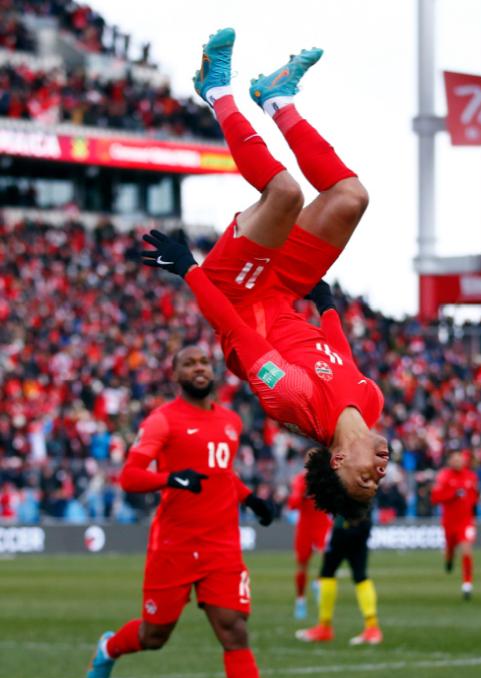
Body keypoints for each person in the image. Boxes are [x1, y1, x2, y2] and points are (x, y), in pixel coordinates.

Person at [141, 27, 389, 520]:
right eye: (376, 481)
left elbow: (234, 330)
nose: (378, 472)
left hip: (236, 293)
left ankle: (216, 90)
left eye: (363, 478)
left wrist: (190, 269)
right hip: (286, 291)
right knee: (351, 198)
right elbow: (337, 354)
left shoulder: (294, 404)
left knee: (285, 195)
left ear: (337, 460)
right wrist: (328, 307)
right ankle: (277, 97)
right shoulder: (372, 403)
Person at [86, 345, 272, 678]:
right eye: (189, 364)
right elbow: (130, 476)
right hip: (175, 545)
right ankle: (108, 648)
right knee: (154, 635)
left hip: (222, 544)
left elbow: (222, 474)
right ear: (176, 374)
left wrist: (250, 498)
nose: (198, 368)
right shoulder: (162, 420)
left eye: (203, 362)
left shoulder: (231, 421)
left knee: (234, 630)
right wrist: (171, 479)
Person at [295, 512, 382, 645]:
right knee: (357, 576)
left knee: (329, 573)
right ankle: (371, 627)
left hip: (346, 527)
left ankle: (325, 626)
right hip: (358, 526)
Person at [288, 450, 333, 619]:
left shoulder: (327, 479)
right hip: (306, 526)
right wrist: (300, 496)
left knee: (328, 560)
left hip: (322, 524)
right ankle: (300, 600)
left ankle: (318, 582)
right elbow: (292, 504)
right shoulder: (300, 480)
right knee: (302, 565)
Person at [431, 447, 479, 599]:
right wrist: (452, 495)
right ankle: (449, 560)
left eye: (460, 458)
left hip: (466, 521)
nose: (458, 461)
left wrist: (473, 516)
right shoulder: (443, 477)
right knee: (450, 549)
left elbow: (474, 498)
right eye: (455, 458)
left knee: (466, 549)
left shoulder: (471, 476)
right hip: (449, 522)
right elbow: (435, 498)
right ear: (450, 461)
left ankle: (467, 585)